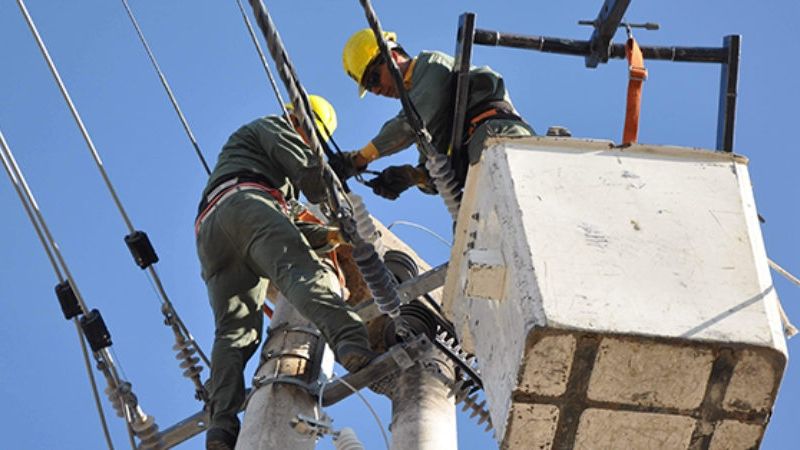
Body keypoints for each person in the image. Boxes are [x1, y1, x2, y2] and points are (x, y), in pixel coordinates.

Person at [195, 95, 375, 450]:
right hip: (246, 204)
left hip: (211, 230)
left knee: (236, 332)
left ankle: (221, 425)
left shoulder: (264, 171)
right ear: (303, 125)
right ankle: (352, 341)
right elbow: (310, 176)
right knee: (305, 274)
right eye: (312, 140)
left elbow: (288, 222)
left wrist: (334, 236)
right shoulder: (273, 126)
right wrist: (335, 193)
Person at [335, 28, 534, 200]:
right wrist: (412, 176)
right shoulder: (419, 111)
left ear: (392, 57)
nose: (376, 90)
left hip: (495, 135)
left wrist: (359, 159)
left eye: (373, 79)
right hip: (476, 160)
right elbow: (436, 170)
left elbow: (406, 126)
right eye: (370, 88)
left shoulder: (431, 66)